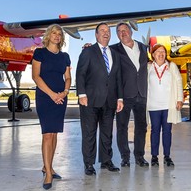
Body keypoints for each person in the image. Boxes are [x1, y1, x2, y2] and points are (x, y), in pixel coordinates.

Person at [76, 23, 123, 176]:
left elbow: (118, 78)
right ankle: (88, 164)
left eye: (108, 31)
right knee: (89, 133)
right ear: (96, 35)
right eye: (102, 31)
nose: (106, 33)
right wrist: (81, 94)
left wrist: (120, 98)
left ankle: (106, 161)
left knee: (107, 133)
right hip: (90, 100)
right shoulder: (88, 51)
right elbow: (80, 73)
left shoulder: (115, 54)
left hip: (109, 101)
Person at [32, 24, 71, 190]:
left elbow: (68, 77)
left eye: (59, 34)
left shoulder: (65, 57)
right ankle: (48, 173)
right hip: (45, 97)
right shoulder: (39, 53)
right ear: (48, 35)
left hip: (61, 98)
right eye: (53, 33)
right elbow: (36, 77)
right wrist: (52, 94)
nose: (56, 36)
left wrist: (65, 91)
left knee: (54, 134)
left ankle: (48, 166)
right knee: (47, 134)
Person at [110, 22, 149, 167]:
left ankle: (139, 156)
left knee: (141, 127)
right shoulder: (114, 49)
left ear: (131, 32)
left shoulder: (144, 47)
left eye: (125, 30)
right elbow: (100, 53)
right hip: (124, 95)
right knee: (121, 127)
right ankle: (125, 157)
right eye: (119, 31)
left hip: (141, 93)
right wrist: (88, 48)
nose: (122, 33)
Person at [147, 44, 183, 166]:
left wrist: (179, 99)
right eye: (158, 52)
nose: (161, 54)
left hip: (168, 105)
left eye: (163, 52)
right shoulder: (149, 67)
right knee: (155, 131)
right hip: (153, 106)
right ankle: (154, 157)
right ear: (153, 54)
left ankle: (167, 156)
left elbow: (178, 82)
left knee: (167, 131)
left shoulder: (171, 66)